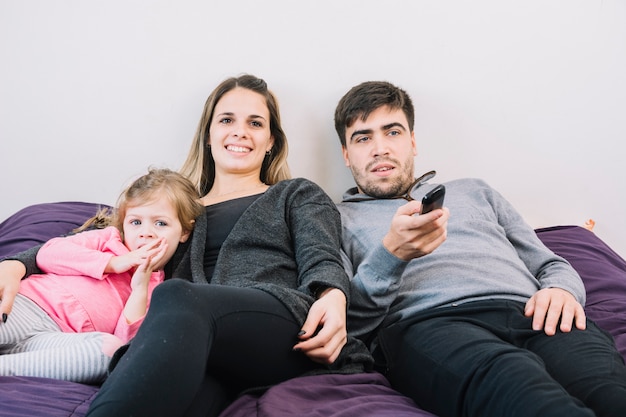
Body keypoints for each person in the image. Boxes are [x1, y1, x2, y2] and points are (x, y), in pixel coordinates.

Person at [0, 74, 373, 417]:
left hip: (281, 330)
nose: (240, 132)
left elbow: (321, 256)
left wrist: (333, 296)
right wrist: (16, 265)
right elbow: (90, 240)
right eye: (226, 120)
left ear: (271, 141)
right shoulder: (173, 209)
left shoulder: (295, 194)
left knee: (178, 296)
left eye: (255, 123)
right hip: (198, 345)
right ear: (208, 135)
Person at [333, 80, 626, 417]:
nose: (380, 148)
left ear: (412, 142)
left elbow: (549, 263)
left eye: (393, 132)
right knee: (528, 394)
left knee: (610, 395)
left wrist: (562, 290)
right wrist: (392, 254)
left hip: (534, 313)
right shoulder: (336, 218)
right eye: (363, 137)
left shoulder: (475, 190)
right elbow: (349, 320)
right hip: (432, 325)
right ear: (346, 154)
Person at [0, 168, 202, 384]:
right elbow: (48, 254)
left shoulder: (159, 291)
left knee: (109, 351)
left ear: (184, 232)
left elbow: (126, 343)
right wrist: (113, 263)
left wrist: (140, 287)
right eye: (135, 222)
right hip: (27, 307)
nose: (146, 232)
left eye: (160, 223)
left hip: (54, 339)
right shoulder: (108, 240)